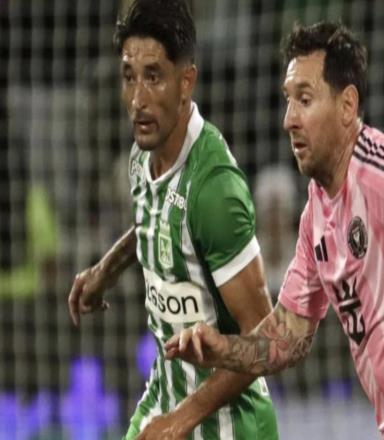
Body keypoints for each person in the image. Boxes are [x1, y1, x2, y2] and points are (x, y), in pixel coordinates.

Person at [166, 22, 384, 440]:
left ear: (347, 106)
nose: (289, 120)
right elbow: (288, 336)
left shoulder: (377, 169)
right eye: (288, 100)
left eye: (305, 100)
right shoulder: (315, 218)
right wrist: (225, 349)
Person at [67, 0, 279, 439]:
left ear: (186, 82)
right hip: (163, 396)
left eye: (153, 77)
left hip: (229, 425)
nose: (137, 100)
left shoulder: (215, 189)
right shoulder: (140, 157)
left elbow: (267, 341)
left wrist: (180, 421)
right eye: (129, 77)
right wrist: (105, 270)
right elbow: (160, 220)